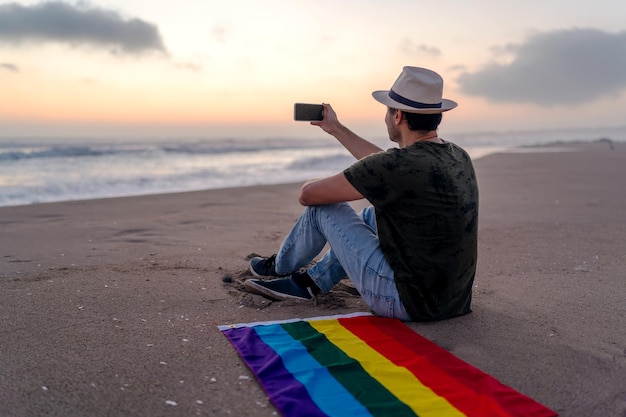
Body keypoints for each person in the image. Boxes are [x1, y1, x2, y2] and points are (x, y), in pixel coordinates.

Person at [244, 66, 478, 322]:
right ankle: (312, 281)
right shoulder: (457, 155)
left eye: (388, 111)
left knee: (325, 208)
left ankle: (279, 268)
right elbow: (388, 168)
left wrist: (315, 181)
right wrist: (336, 128)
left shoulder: (398, 165)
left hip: (404, 301)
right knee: (371, 214)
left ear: (398, 115)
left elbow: (308, 195)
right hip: (452, 301)